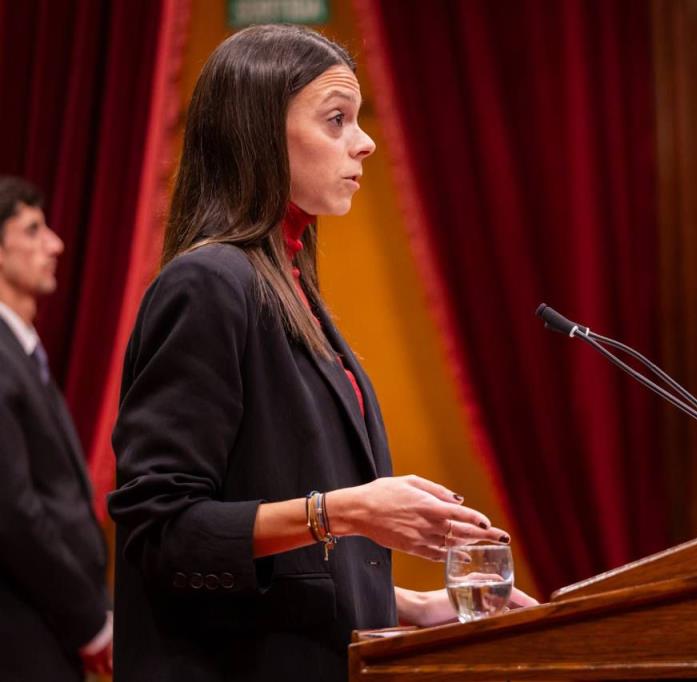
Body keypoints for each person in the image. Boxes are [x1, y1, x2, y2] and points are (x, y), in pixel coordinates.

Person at [107, 24, 536, 681]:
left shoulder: (290, 282)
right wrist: (350, 509)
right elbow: (164, 533)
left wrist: (414, 606)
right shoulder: (208, 285)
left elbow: (272, 568)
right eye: (336, 120)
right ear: (257, 133)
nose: (364, 143)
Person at [0, 176, 113, 680]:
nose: (57, 244)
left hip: (49, 624)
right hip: (23, 631)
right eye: (33, 230)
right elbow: (12, 509)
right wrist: (88, 620)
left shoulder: (20, 351)